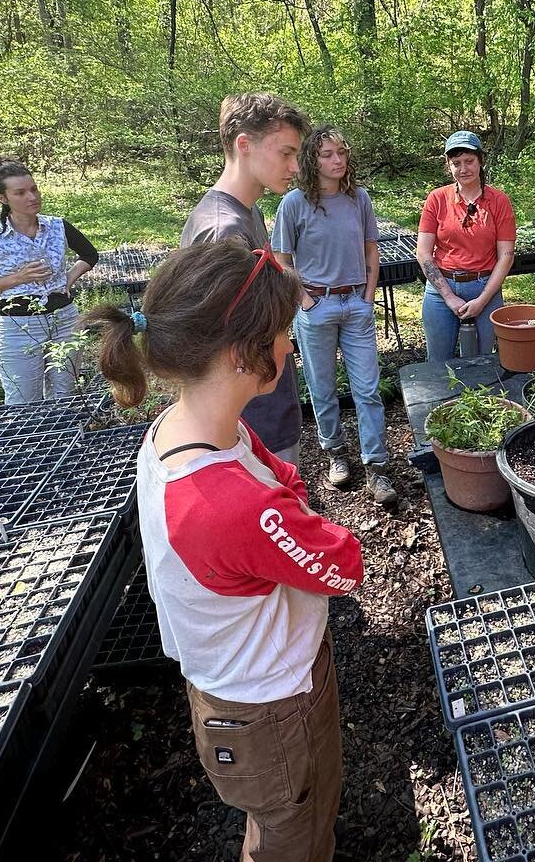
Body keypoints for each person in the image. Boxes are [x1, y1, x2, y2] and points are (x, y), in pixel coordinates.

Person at [84, 240, 363, 862]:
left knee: (276, 822)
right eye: (284, 334)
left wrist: (293, 505)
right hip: (271, 705)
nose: (290, 347)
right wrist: (299, 510)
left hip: (240, 689)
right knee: (294, 836)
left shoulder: (183, 430)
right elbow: (344, 566)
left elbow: (283, 487)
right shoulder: (231, 506)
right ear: (243, 353)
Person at [182, 92, 310, 466]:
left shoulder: (244, 213)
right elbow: (220, 343)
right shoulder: (224, 231)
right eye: (285, 153)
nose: (295, 167)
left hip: (263, 411)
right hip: (251, 425)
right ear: (244, 145)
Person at [272, 127, 397, 509]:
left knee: (368, 389)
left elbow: (371, 250)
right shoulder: (294, 203)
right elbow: (280, 259)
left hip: (356, 305)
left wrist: (368, 295)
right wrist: (305, 301)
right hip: (317, 307)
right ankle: (336, 454)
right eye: (327, 154)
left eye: (342, 152)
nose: (337, 160)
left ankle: (376, 465)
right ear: (313, 159)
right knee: (322, 390)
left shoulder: (358, 199)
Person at [0, 155, 98, 404]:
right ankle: (32, 441)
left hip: (64, 319)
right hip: (19, 326)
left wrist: (68, 279)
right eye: (20, 193)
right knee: (23, 401)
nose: (32, 197)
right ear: (3, 198)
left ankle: (65, 438)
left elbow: (89, 254)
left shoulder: (57, 226)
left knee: (67, 395)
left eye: (33, 189)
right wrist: (17, 278)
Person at [416, 130, 516, 362]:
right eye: (456, 163)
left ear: (481, 160)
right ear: (448, 166)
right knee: (439, 362)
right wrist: (449, 296)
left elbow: (506, 256)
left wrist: (482, 300)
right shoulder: (437, 199)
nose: (464, 169)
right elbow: (423, 252)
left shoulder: (499, 201)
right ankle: (444, 400)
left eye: (469, 161)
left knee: (483, 361)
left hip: (485, 287)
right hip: (441, 288)